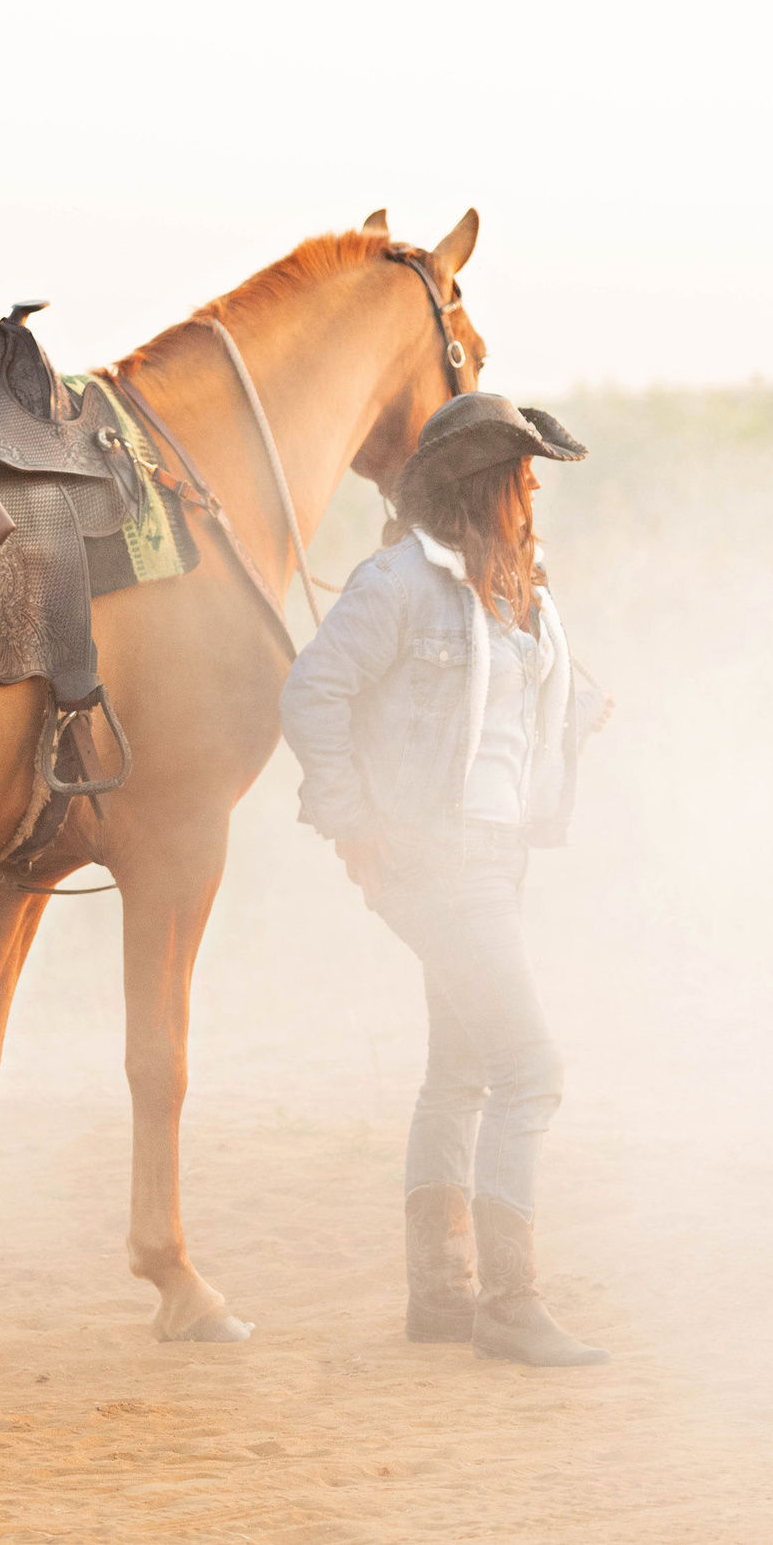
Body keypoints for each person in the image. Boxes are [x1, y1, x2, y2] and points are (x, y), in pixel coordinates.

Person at [279, 392, 612, 1366]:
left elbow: (504, 711)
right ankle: (508, 1305)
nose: (537, 486)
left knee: (462, 1070)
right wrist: (351, 819)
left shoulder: (519, 593)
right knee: (529, 1068)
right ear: (488, 484)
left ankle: (440, 1296)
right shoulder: (398, 584)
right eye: (524, 471)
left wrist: (576, 710)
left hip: (492, 854)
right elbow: (312, 690)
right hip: (437, 860)